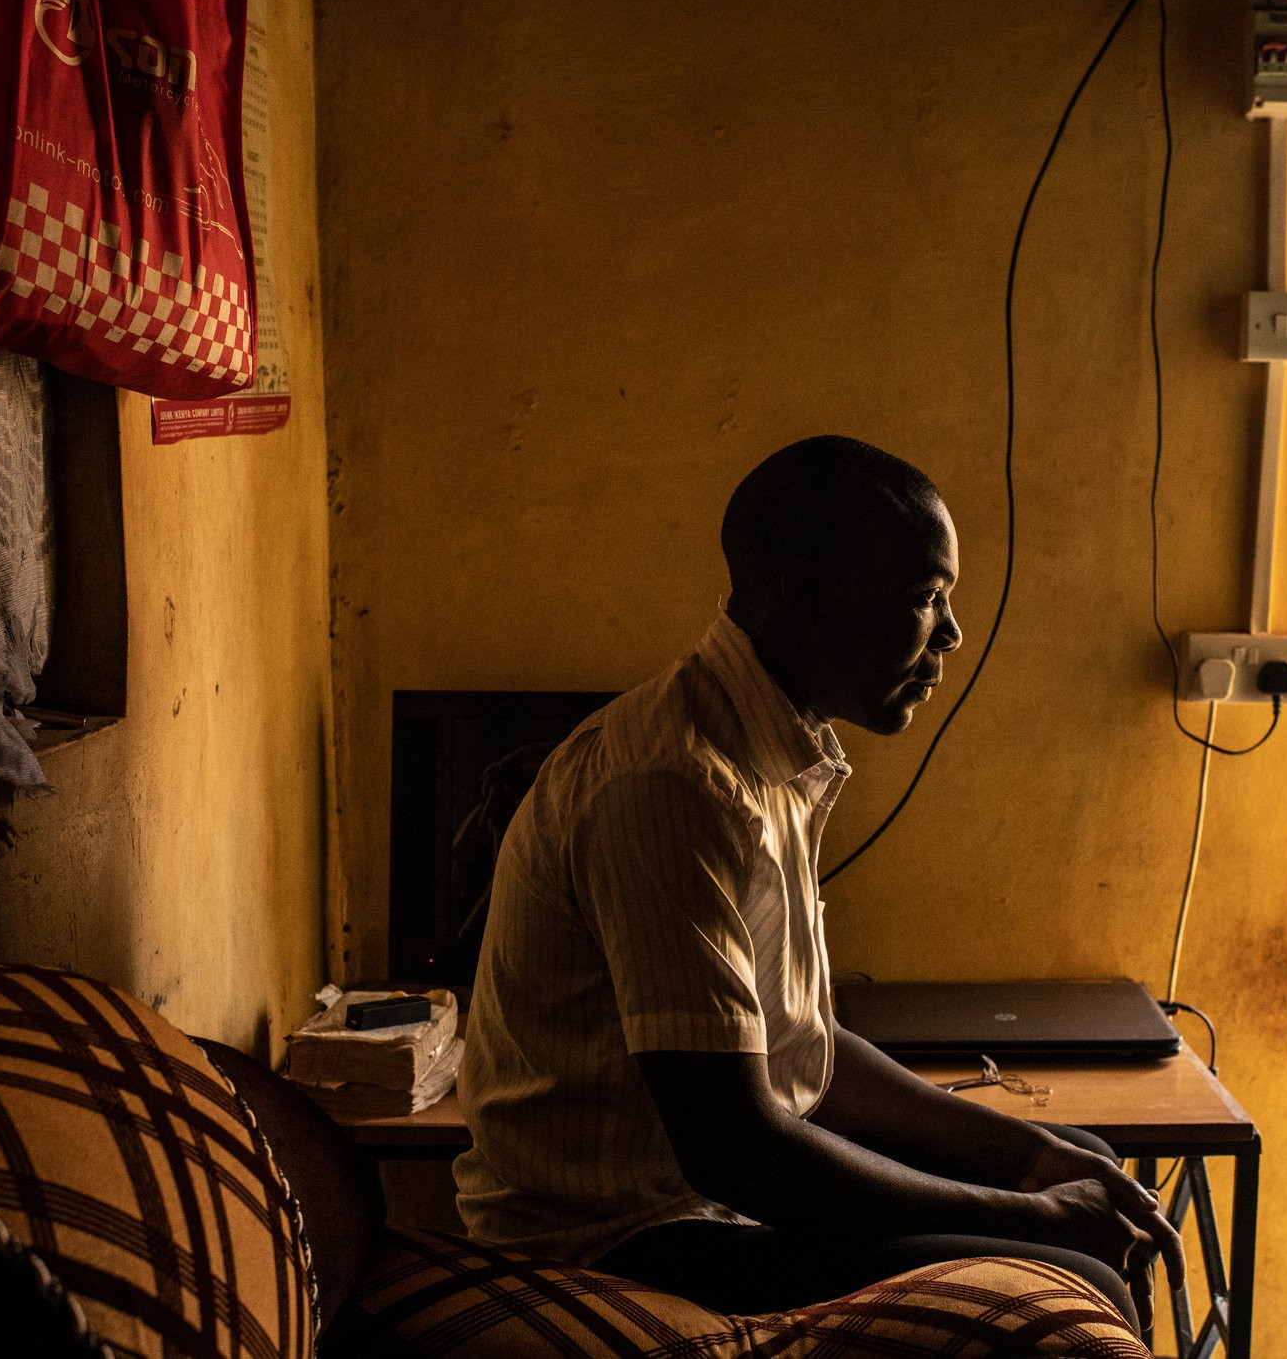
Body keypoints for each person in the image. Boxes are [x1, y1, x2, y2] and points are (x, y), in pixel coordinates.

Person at [452, 435, 1184, 1330]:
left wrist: (1032, 1158)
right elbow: (739, 1149)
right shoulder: (673, 784)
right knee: (1077, 1275)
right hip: (623, 1241)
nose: (951, 633)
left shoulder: (769, 755)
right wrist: (1030, 1216)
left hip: (710, 1204)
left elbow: (810, 1054)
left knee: (1081, 1157)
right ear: (805, 594)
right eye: (924, 598)